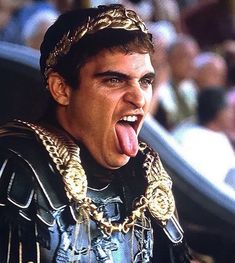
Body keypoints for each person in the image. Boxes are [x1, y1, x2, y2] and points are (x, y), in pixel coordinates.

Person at [0, 4, 192, 262]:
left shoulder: (146, 177)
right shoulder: (15, 168)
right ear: (61, 89)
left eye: (145, 81)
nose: (139, 98)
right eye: (114, 79)